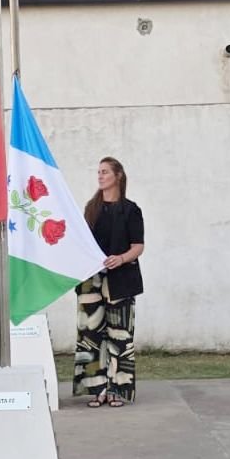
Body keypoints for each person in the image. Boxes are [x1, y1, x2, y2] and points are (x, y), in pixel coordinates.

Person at [73, 157, 145, 408]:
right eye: (98, 172)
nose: (100, 176)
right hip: (91, 281)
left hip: (121, 280)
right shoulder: (91, 208)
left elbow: (138, 246)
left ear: (118, 176)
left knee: (120, 336)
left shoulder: (131, 210)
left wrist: (121, 259)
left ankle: (118, 389)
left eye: (105, 172)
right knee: (90, 335)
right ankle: (97, 389)